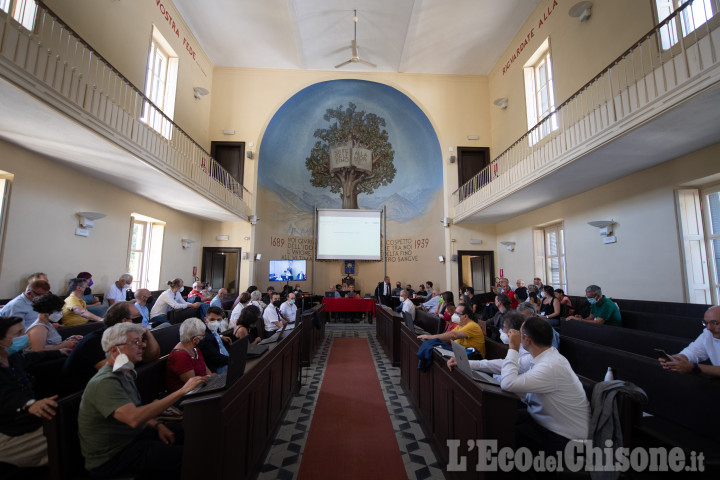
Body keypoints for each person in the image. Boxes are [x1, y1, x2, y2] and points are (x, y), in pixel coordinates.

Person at [78, 323, 206, 478]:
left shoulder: (126, 373)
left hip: (135, 438)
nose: (143, 345)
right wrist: (182, 390)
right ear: (114, 350)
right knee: (193, 458)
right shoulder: (105, 382)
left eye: (141, 340)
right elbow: (133, 418)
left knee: (196, 432)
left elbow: (136, 410)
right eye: (136, 342)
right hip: (114, 456)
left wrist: (157, 425)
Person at [501, 317, 590, 455]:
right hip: (546, 423)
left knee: (506, 433)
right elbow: (504, 365)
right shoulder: (543, 354)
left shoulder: (551, 365)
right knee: (504, 416)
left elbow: (508, 383)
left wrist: (513, 347)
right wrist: (469, 364)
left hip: (566, 440)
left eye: (520, 333)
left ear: (527, 339)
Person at [0, 316, 64, 467]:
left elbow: (30, 358)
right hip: (6, 429)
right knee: (65, 436)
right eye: (18, 333)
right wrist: (28, 404)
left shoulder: (12, 357)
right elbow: (6, 397)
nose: (24, 336)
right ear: (1, 340)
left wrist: (59, 352)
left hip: (23, 420)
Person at [62, 302, 160, 394]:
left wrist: (148, 335)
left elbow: (151, 358)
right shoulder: (94, 342)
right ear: (125, 322)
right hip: (81, 394)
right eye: (137, 318)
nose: (140, 320)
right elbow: (117, 374)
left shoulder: (129, 337)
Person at [447, 312, 528, 379]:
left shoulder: (526, 354)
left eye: (504, 328)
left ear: (516, 332)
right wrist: (466, 363)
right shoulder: (518, 347)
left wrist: (467, 363)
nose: (502, 331)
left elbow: (507, 380)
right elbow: (500, 364)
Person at [659, 305, 720, 377]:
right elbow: (692, 352)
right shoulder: (707, 334)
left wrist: (693, 367)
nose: (709, 328)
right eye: (706, 323)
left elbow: (692, 367)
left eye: (715, 323)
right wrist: (675, 359)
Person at [417, 303, 486, 357]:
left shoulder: (472, 326)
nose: (454, 315)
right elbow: (448, 335)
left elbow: (454, 335)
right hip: (461, 355)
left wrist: (431, 337)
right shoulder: (460, 325)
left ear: (465, 316)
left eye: (457, 313)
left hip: (472, 359)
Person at [166, 318, 212, 393]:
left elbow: (206, 370)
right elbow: (193, 384)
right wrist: (210, 378)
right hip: (187, 396)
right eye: (203, 336)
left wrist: (212, 377)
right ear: (195, 339)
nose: (203, 338)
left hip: (203, 386)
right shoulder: (180, 355)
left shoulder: (195, 349)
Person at [197, 306, 231, 374]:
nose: (215, 323)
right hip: (217, 367)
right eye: (212, 320)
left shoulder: (210, 329)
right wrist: (233, 359)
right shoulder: (204, 337)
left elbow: (214, 333)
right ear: (205, 319)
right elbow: (217, 359)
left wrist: (221, 336)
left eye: (218, 320)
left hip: (223, 358)